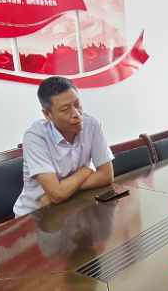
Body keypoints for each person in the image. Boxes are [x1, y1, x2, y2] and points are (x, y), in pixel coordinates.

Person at [13, 76, 114, 217]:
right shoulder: (35, 137)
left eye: (77, 105)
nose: (76, 114)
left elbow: (107, 175)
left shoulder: (91, 125)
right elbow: (57, 194)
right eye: (66, 109)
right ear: (47, 114)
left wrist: (67, 190)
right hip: (35, 215)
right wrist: (86, 170)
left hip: (71, 205)